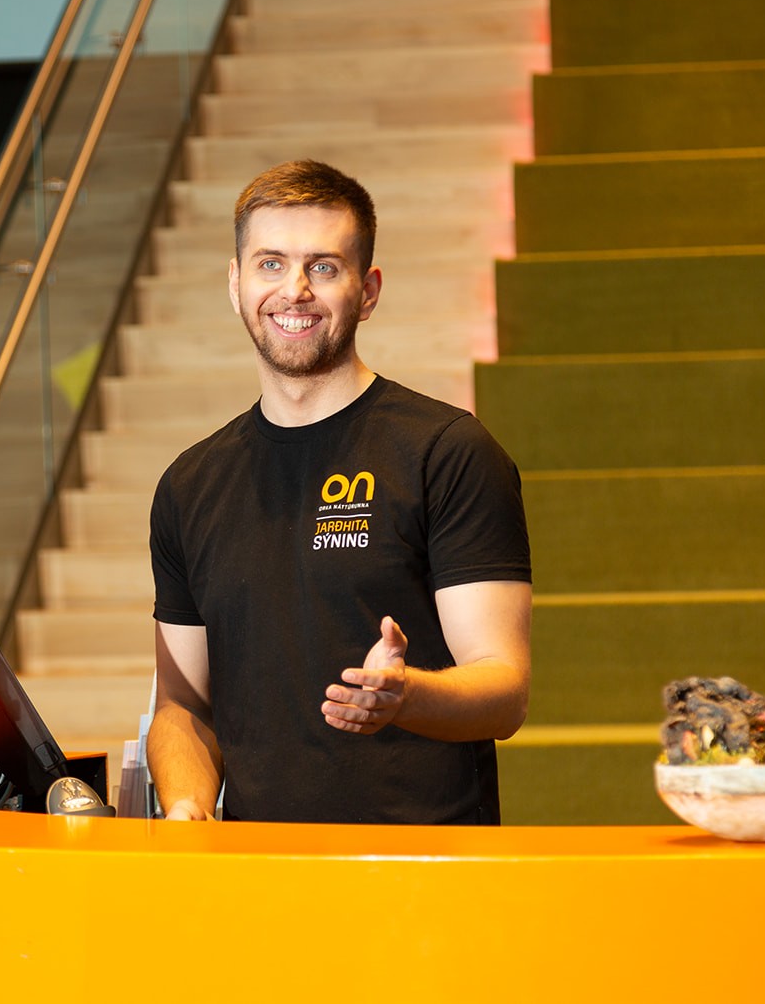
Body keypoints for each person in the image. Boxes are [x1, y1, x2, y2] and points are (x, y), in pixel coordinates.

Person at [145, 159, 533, 825]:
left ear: (368, 289)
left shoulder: (447, 452)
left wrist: (403, 695)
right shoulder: (190, 483)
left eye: (323, 267)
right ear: (236, 284)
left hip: (426, 875)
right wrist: (186, 801)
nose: (293, 290)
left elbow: (505, 690)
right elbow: (183, 706)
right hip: (257, 883)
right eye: (270, 264)